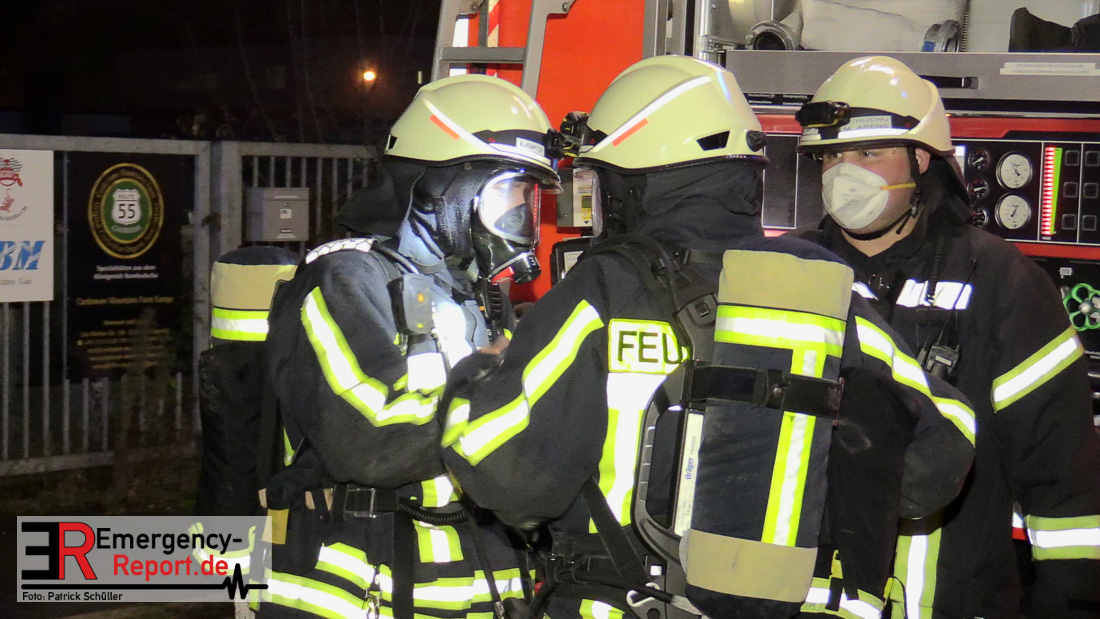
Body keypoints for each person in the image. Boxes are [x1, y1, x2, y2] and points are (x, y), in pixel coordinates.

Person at [440, 55, 975, 619]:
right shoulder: (818, 288)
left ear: (636, 180)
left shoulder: (602, 289)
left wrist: (477, 376)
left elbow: (509, 477)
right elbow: (942, 457)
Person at [793, 55, 1100, 618]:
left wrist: (1072, 603)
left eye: (868, 152)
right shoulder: (790, 274)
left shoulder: (1002, 285)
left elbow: (1063, 480)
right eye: (831, 156)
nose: (843, 173)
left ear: (921, 159)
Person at [256, 73, 562, 619]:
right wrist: (496, 381)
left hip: (472, 581)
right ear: (445, 187)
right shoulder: (341, 281)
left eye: (527, 196)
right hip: (360, 588)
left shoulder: (476, 296)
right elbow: (372, 439)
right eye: (510, 190)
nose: (521, 211)